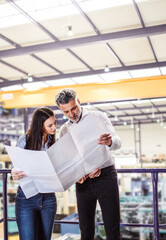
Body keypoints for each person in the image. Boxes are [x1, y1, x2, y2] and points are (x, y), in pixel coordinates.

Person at [55, 88, 122, 240]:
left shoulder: (98, 117)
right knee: (85, 229)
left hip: (106, 177)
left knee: (112, 227)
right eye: (66, 112)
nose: (72, 114)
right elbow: (68, 162)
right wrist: (75, 176)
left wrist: (110, 141)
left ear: (79, 101)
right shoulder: (65, 130)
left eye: (74, 108)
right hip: (83, 181)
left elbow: (118, 142)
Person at [11, 107, 57, 240]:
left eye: (54, 123)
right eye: (50, 125)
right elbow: (15, 165)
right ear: (40, 126)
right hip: (26, 198)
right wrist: (14, 172)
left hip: (48, 198)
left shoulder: (53, 144)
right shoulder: (25, 141)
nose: (54, 128)